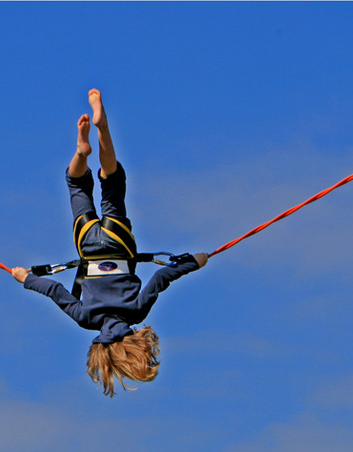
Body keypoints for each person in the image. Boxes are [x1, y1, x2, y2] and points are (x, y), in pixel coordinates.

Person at [12, 89, 207, 396]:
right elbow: (55, 290)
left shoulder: (136, 312)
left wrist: (193, 262)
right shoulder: (85, 318)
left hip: (119, 242)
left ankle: (102, 130)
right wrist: (27, 278)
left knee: (112, 183)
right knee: (77, 185)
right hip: (88, 246)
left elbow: (160, 278)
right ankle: (81, 151)